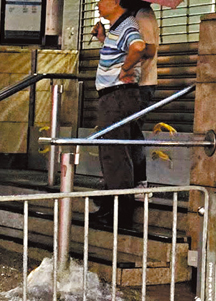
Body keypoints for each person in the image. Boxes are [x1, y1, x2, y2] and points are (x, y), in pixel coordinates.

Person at [90, 0, 146, 229]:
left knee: (115, 154)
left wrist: (125, 69)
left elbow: (138, 46)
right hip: (115, 96)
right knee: (115, 153)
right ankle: (112, 208)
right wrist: (104, 39)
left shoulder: (127, 25)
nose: (98, 4)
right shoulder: (117, 27)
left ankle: (119, 214)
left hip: (117, 96)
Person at [95, 0, 159, 186]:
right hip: (128, 85)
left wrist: (126, 67)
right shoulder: (127, 18)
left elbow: (147, 48)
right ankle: (120, 183)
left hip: (139, 83)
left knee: (131, 135)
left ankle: (137, 182)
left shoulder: (142, 15)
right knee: (123, 136)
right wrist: (105, 39)